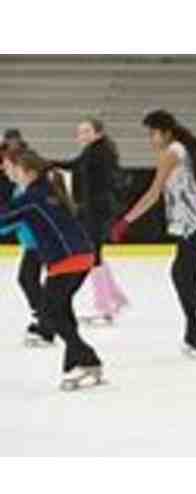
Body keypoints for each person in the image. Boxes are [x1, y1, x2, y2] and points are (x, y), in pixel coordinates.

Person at [110, 110, 196, 362]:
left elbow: (153, 193)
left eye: (153, 133)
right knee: (182, 278)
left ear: (166, 133)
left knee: (186, 283)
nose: (151, 139)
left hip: (195, 224)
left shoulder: (172, 153)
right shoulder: (184, 149)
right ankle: (194, 337)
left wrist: (126, 220)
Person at [0, 150, 103, 390]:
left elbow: (4, 220)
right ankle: (74, 365)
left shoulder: (32, 197)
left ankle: (89, 361)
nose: (8, 172)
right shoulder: (45, 191)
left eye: (13, 168)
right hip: (80, 256)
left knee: (51, 313)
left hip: (67, 260)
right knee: (61, 311)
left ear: (29, 172)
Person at [51, 117, 129, 323]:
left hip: (97, 212)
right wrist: (49, 164)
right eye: (80, 132)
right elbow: (74, 165)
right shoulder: (94, 151)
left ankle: (106, 309)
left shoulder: (98, 153)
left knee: (93, 257)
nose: (82, 135)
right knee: (96, 255)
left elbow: (91, 176)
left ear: (98, 133)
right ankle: (115, 298)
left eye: (87, 131)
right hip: (97, 210)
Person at [0, 143, 52, 346]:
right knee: (29, 280)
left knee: (28, 279)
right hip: (33, 243)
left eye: (6, 165)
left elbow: (17, 218)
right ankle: (45, 320)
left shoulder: (27, 191)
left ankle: (47, 324)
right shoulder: (20, 189)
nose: (3, 169)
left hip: (39, 244)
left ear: (18, 166)